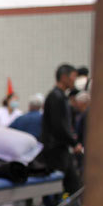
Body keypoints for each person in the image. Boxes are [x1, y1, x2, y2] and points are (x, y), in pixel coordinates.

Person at [41, 64, 82, 195]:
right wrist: (74, 142)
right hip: (56, 151)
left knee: (74, 186)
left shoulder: (60, 97)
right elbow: (59, 126)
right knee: (70, 187)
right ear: (64, 77)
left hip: (61, 148)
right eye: (73, 77)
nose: (74, 81)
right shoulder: (55, 97)